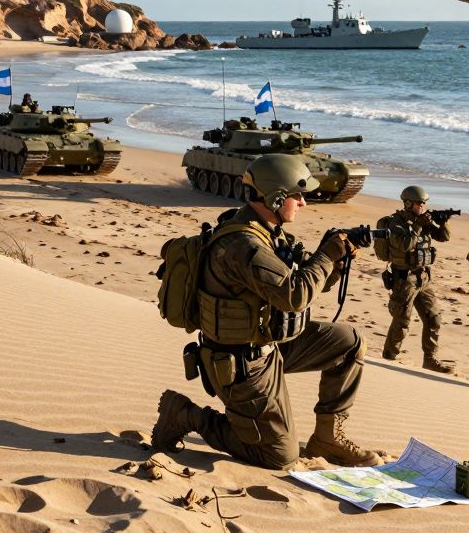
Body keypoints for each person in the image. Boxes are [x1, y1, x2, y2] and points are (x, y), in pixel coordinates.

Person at [151, 153, 383, 469]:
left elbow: (304, 285)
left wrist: (336, 263)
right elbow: (294, 296)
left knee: (350, 342)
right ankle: (187, 415)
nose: (303, 203)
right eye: (297, 195)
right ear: (275, 197)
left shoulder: (268, 231)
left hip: (268, 343)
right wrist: (327, 256)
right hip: (240, 364)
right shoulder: (243, 244)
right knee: (279, 457)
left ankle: (328, 438)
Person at [375, 186, 454, 373]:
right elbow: (404, 245)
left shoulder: (422, 220)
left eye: (424, 203)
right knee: (402, 320)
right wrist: (418, 225)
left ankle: (430, 359)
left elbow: (443, 237)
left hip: (423, 278)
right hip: (405, 279)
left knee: (434, 318)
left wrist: (443, 222)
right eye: (419, 203)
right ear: (408, 203)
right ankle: (389, 356)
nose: (422, 206)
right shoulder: (396, 223)